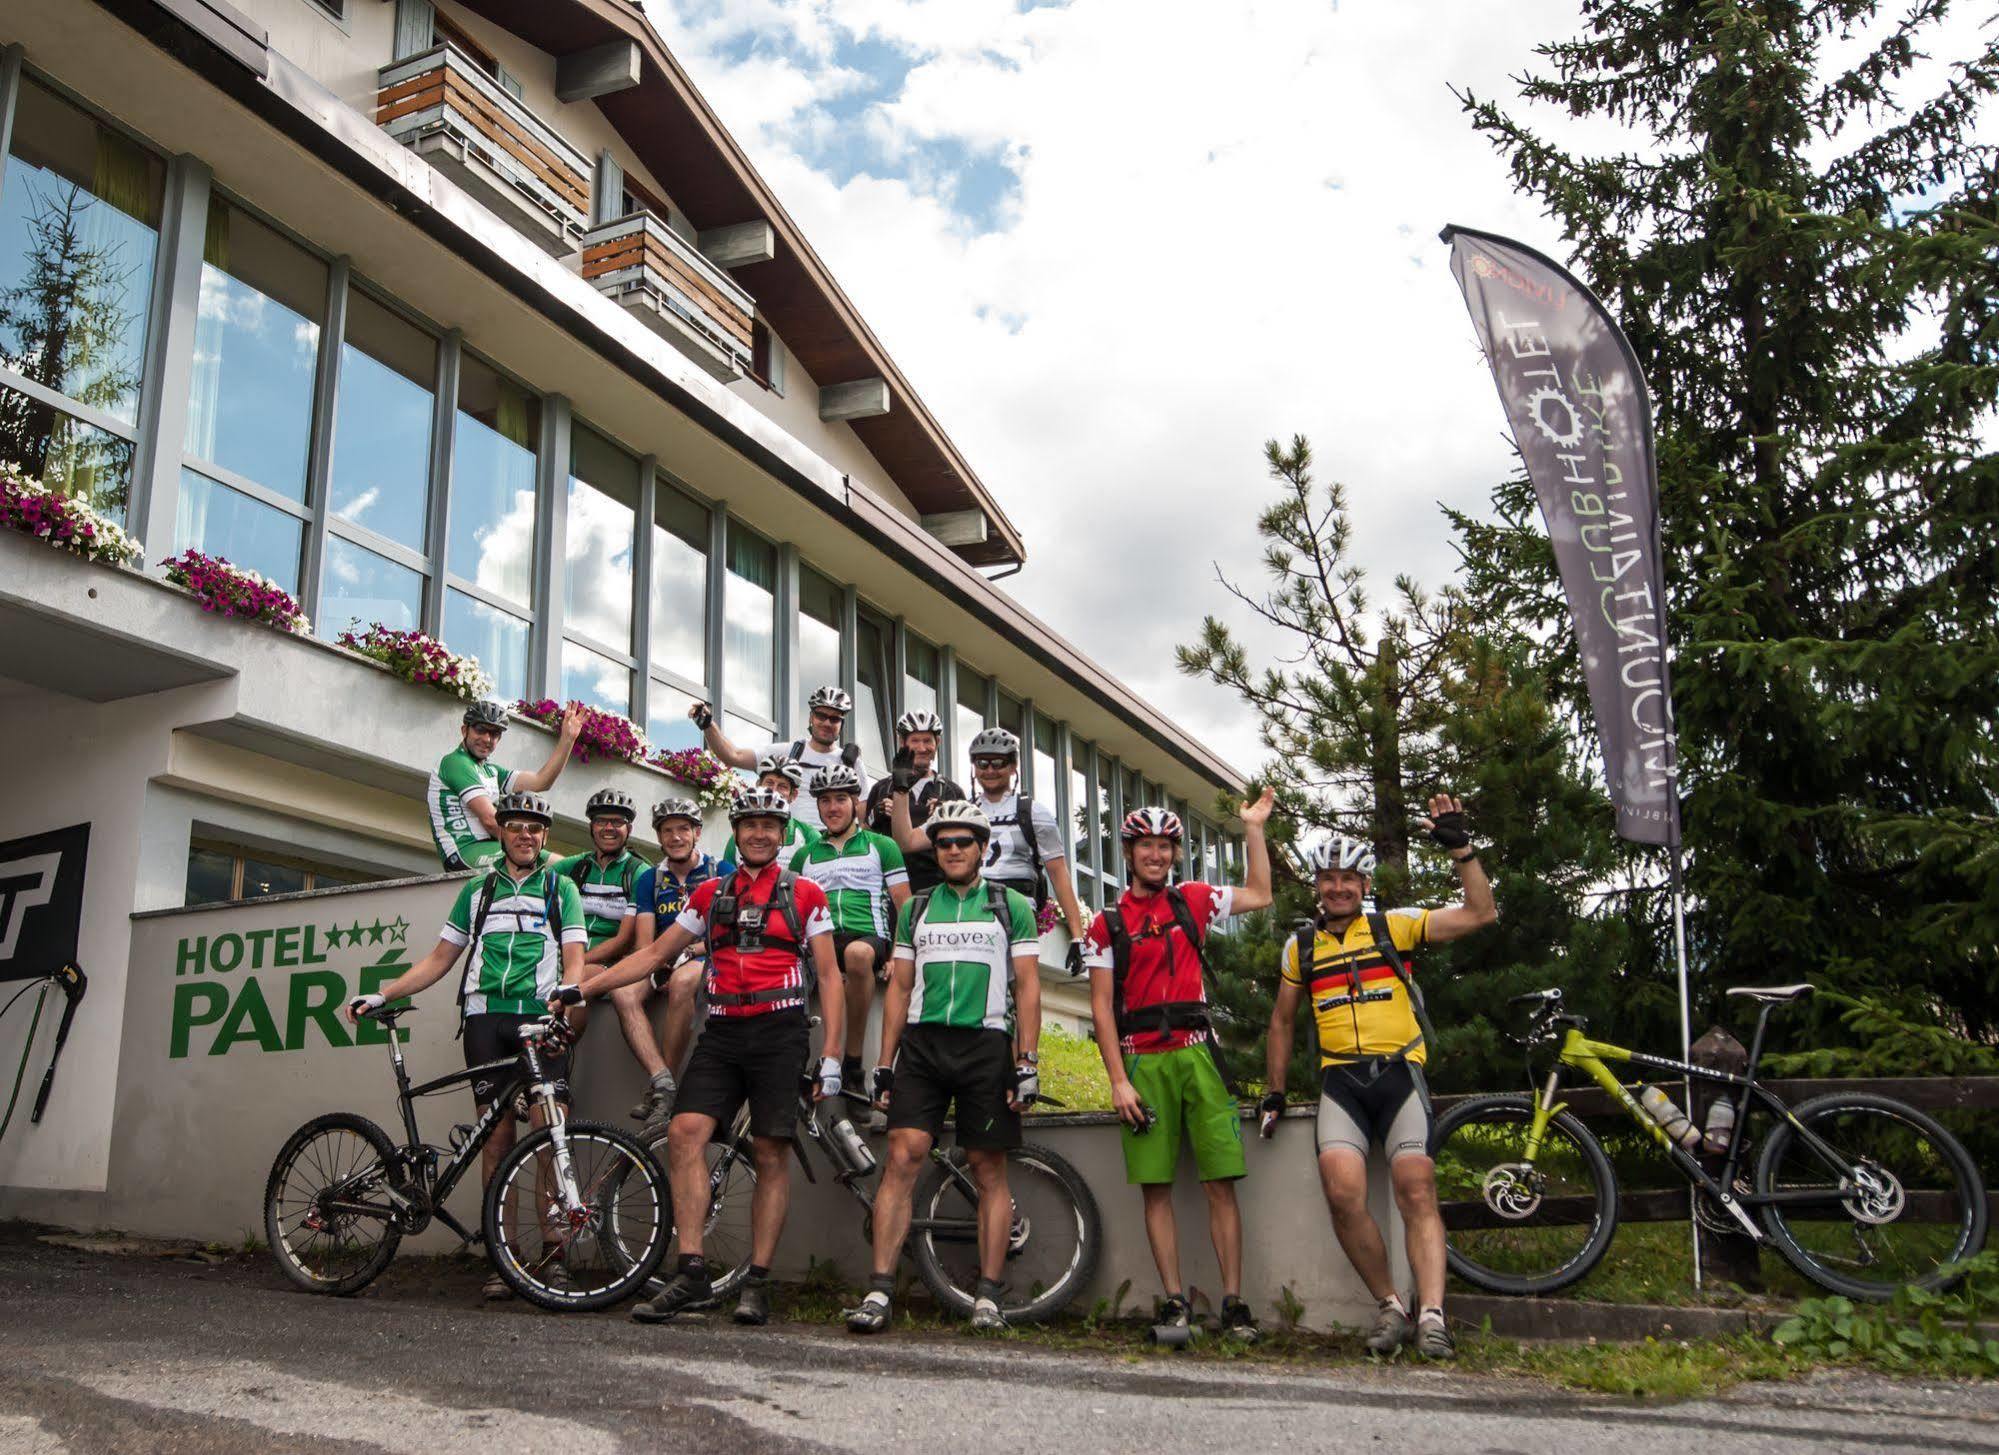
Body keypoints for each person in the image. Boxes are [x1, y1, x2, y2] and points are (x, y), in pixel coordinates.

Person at [557, 787, 845, 1327]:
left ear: (782, 835)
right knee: (686, 1134)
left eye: (769, 826)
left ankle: (756, 1282)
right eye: (749, 825)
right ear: (735, 833)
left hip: (780, 1032)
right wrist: (583, 988)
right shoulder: (709, 894)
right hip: (723, 1031)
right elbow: (654, 954)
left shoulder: (806, 894)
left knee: (769, 1153)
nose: (759, 833)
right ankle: (691, 1272)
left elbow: (829, 975)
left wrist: (831, 1054)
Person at [1260, 795, 1495, 1361]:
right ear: (1316, 886)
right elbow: (1282, 1022)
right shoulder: (1303, 948)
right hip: (1341, 1082)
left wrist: (1462, 849)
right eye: (1328, 879)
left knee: (1416, 1189)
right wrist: (1274, 1091)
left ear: (1365, 884)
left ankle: (1433, 1315)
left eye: (1348, 878)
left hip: (1398, 1075)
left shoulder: (1396, 927)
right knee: (1343, 1196)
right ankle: (1391, 1305)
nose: (1337, 888)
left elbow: (1480, 913)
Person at [347, 791, 585, 1301]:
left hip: (538, 1018)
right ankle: (503, 1259)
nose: (525, 834)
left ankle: (553, 1253)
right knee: (496, 1141)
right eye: (516, 825)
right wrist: (384, 992)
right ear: (501, 831)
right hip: (484, 1019)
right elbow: (439, 959)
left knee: (549, 1130)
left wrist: (564, 1003)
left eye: (535, 828)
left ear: (545, 837)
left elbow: (575, 959)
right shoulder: (477, 892)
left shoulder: (560, 887)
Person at [1084, 789, 1274, 1342]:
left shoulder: (1192, 898)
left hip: (1197, 1053)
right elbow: (1099, 1007)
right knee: (1156, 1188)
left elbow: (1261, 894)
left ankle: (1234, 1303)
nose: (1158, 855)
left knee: (1221, 1183)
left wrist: (1253, 829)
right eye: (1147, 845)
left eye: (1166, 846)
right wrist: (1117, 1080)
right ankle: (1173, 1302)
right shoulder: (1107, 922)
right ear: (1128, 852)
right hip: (1143, 1061)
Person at [845, 802, 1041, 1335]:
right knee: (902, 1159)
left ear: (982, 847)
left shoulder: (1011, 904)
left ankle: (988, 1297)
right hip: (924, 1047)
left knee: (988, 1167)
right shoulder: (918, 907)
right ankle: (879, 1291)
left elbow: (1027, 985)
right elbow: (902, 987)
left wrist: (1027, 1060)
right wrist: (884, 1063)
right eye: (945, 843)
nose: (953, 849)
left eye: (964, 841)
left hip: (986, 1045)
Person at [792, 764, 912, 1101]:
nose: (832, 807)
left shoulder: (881, 846)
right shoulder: (805, 855)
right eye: (825, 800)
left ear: (856, 802)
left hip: (867, 935)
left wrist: (898, 955)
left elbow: (905, 906)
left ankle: (854, 1065)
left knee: (857, 956)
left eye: (840, 799)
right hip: (820, 938)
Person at [618, 798, 719, 1134]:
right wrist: (657, 965)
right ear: (659, 837)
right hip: (663, 957)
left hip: (706, 956)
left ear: (697, 833)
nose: (675, 837)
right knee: (622, 993)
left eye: (683, 829)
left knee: (683, 982)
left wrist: (687, 953)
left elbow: (725, 934)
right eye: (667, 831)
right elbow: (645, 943)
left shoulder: (721, 871)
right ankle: (662, 1081)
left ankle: (666, 1091)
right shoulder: (649, 879)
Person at [964, 727, 1088, 976]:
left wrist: (1078, 937)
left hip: (1017, 905)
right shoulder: (963, 811)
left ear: (1013, 767)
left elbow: (1059, 875)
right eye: (982, 763)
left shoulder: (1034, 812)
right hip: (971, 903)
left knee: (1017, 980)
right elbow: (911, 842)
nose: (989, 770)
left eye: (998, 763)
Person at [426, 699, 585, 869]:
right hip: (464, 852)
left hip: (491, 847)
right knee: (558, 865)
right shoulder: (455, 762)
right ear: (464, 730)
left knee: (562, 867)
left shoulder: (491, 771)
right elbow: (490, 820)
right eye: (480, 730)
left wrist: (568, 739)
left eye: (494, 734)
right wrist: (529, 843)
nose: (487, 738)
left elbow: (541, 781)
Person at [692, 685, 869, 833]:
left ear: (841, 724)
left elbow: (862, 811)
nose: (827, 723)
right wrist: (708, 725)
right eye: (821, 716)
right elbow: (733, 756)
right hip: (790, 839)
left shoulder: (851, 762)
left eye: (834, 719)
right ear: (811, 718)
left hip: (833, 841)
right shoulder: (788, 751)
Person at [863, 709, 967, 895]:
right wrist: (874, 816)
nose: (921, 748)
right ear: (902, 743)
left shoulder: (951, 791)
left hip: (938, 885)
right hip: (890, 884)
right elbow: (863, 836)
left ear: (938, 743)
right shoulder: (882, 788)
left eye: (928, 741)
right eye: (915, 741)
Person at [550, 789, 645, 974]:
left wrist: (575, 963)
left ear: (629, 829)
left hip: (607, 962)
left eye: (617, 822)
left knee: (580, 976)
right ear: (591, 827)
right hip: (565, 952)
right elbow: (536, 880)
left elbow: (623, 940)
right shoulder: (575, 866)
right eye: (601, 821)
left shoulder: (639, 872)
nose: (608, 827)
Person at [719, 755, 820, 869]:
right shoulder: (739, 838)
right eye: (769, 783)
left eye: (782, 786)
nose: (774, 790)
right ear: (758, 785)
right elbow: (727, 881)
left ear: (793, 795)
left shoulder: (808, 835)